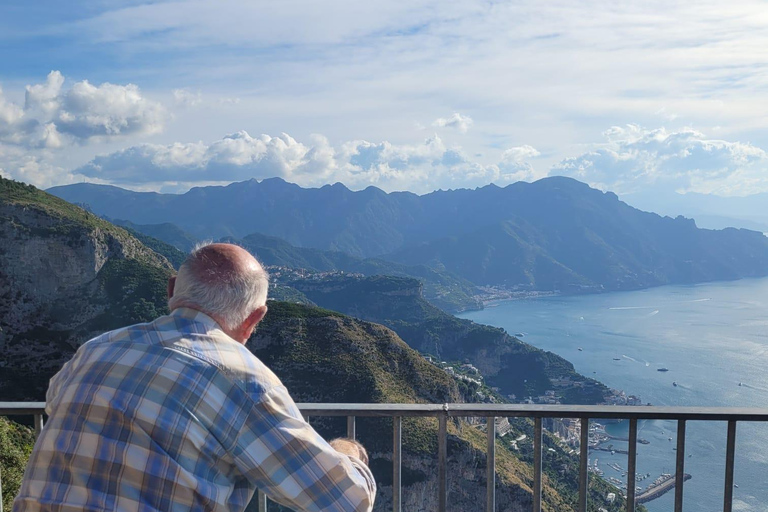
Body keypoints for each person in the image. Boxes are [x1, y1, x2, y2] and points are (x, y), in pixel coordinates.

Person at [13, 243, 376, 512]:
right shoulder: (242, 379)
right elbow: (346, 501)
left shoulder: (96, 349)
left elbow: (53, 402)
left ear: (171, 291)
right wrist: (346, 451)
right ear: (254, 319)